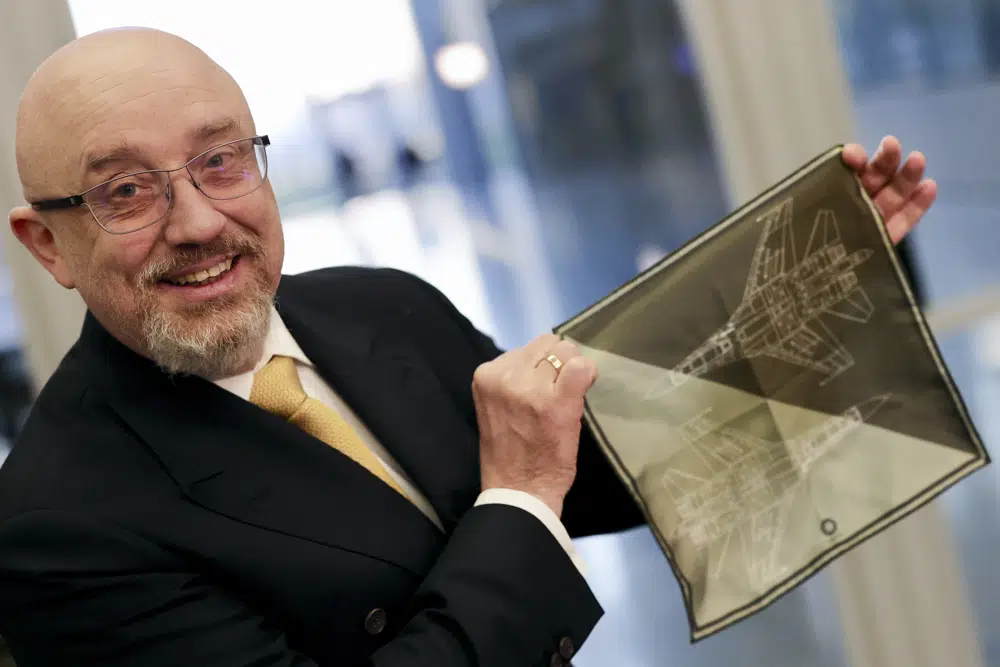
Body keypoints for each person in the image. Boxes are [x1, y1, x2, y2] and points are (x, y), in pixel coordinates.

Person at [0, 28, 937, 667]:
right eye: (125, 191)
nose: (201, 220)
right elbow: (529, 495)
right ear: (48, 244)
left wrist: (834, 278)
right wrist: (522, 490)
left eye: (222, 159)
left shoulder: (387, 305)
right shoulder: (57, 528)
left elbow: (604, 464)